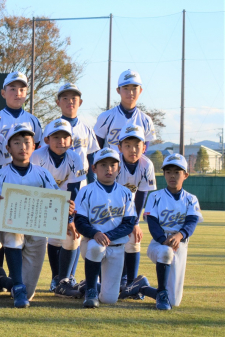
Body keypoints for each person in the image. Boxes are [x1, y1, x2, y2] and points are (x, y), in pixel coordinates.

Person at [0, 123, 62, 307]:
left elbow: (56, 202)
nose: (22, 146)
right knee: (13, 231)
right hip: (11, 228)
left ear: (34, 146)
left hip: (37, 231)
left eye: (26, 142)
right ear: (8, 148)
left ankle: (2, 280)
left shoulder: (43, 173)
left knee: (28, 293)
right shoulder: (0, 175)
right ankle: (17, 287)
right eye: (17, 142)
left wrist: (66, 209)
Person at [73, 148, 139, 308]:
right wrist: (95, 233)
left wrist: (107, 235)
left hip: (116, 246)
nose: (108, 169)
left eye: (112, 165)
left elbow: (129, 223)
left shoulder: (126, 193)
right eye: (103, 165)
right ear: (94, 168)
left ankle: (87, 285)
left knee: (109, 299)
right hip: (91, 242)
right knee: (96, 247)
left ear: (119, 169)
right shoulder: (86, 191)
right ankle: (90, 290)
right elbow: (80, 221)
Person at [138, 154, 203, 310]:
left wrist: (180, 235)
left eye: (177, 171)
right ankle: (161, 293)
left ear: (185, 175)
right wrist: (162, 239)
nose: (172, 175)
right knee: (166, 252)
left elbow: (192, 221)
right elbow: (152, 223)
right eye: (168, 171)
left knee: (174, 301)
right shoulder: (155, 196)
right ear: (164, 174)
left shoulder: (191, 199)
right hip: (158, 244)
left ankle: (142, 287)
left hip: (180, 245)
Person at [30, 119, 85, 296]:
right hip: (43, 201)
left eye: (65, 137)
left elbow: (73, 191)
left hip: (68, 203)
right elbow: (34, 186)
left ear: (71, 140)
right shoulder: (37, 156)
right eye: (56, 137)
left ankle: (67, 278)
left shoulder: (75, 158)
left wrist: (70, 219)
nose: (61, 141)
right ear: (47, 140)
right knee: (53, 239)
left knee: (71, 235)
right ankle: (56, 277)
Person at [115, 123, 156, 297]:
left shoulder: (146, 165)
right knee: (114, 243)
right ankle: (118, 280)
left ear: (144, 147)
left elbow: (141, 195)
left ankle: (131, 283)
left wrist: (135, 222)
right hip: (111, 208)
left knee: (133, 238)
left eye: (137, 145)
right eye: (128, 145)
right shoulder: (113, 163)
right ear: (119, 147)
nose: (133, 149)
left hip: (131, 209)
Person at [94, 69, 156, 153]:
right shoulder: (105, 117)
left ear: (140, 90)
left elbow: (143, 153)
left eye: (134, 88)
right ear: (118, 90)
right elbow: (96, 149)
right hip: (111, 165)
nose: (130, 92)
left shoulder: (146, 120)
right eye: (126, 88)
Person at [0, 71, 42, 146]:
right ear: (3, 93)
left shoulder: (33, 120)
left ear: (26, 94)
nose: (18, 93)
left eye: (22, 90)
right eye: (13, 89)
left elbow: (37, 148)